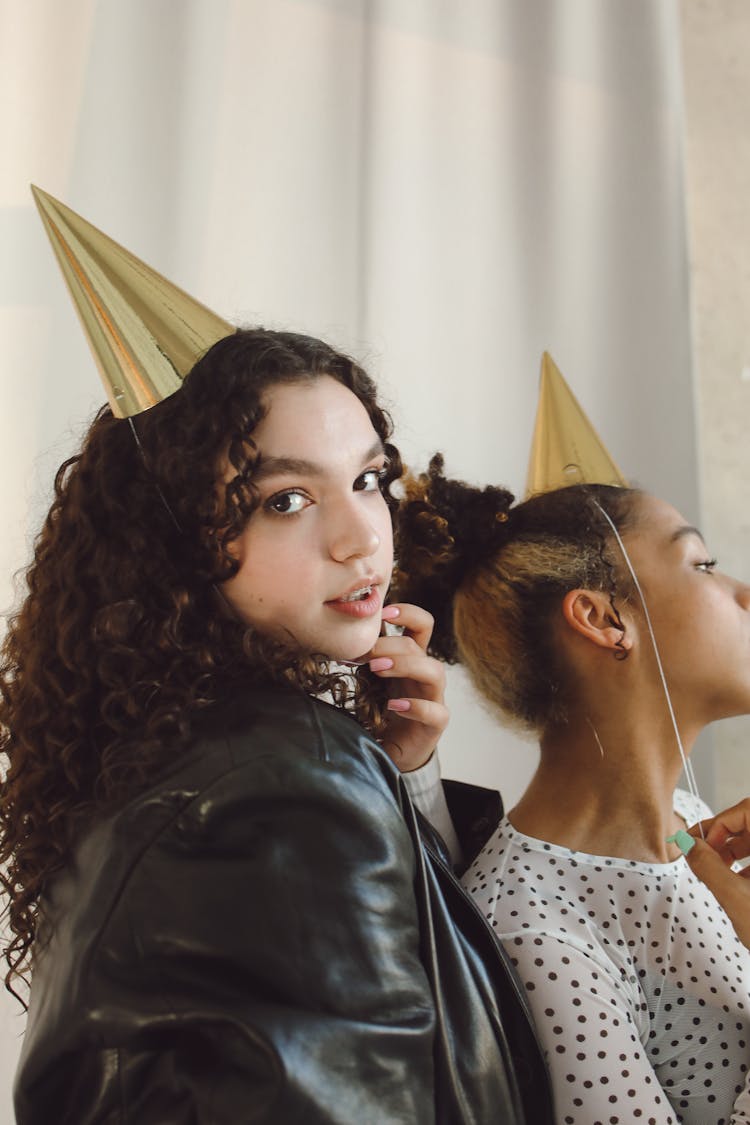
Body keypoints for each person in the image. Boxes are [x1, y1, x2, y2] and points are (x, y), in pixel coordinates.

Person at [0, 191, 554, 1124]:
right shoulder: (287, 781)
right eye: (286, 499)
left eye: (368, 479)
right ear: (178, 538)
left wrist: (404, 776)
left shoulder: (187, 755)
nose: (360, 539)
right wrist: (352, 771)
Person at [394, 452, 750, 1125]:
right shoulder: (540, 934)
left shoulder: (693, 824)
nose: (744, 593)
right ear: (605, 618)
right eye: (702, 564)